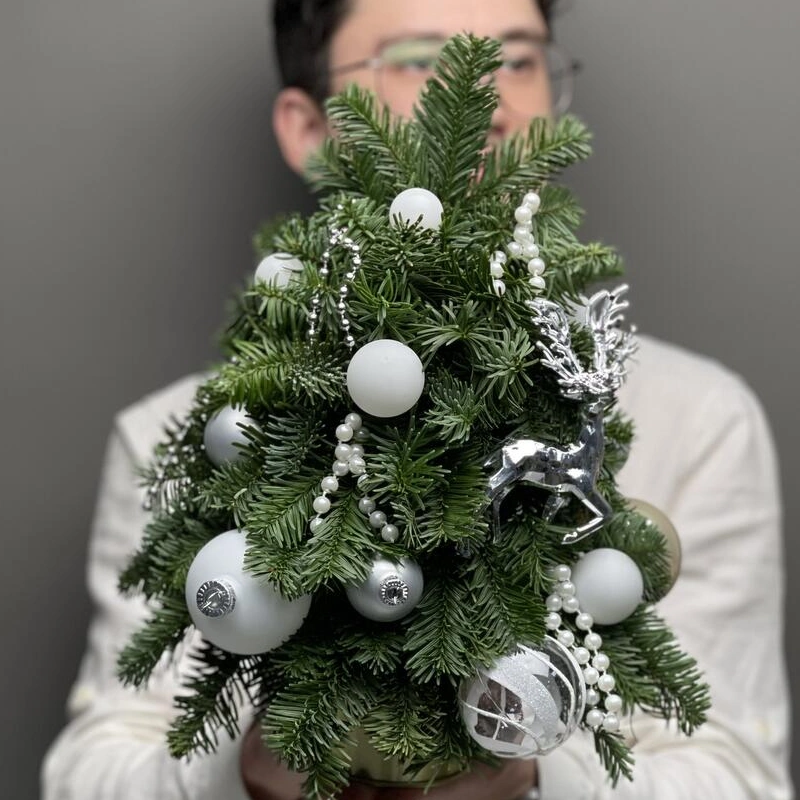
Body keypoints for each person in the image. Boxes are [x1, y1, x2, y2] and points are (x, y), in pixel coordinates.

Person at [41, 1, 793, 799]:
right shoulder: (197, 436)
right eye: (417, 59)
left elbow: (739, 774)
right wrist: (250, 774)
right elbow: (89, 769)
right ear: (310, 128)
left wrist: (533, 778)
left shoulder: (699, 421)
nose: (486, 102)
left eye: (518, 60)